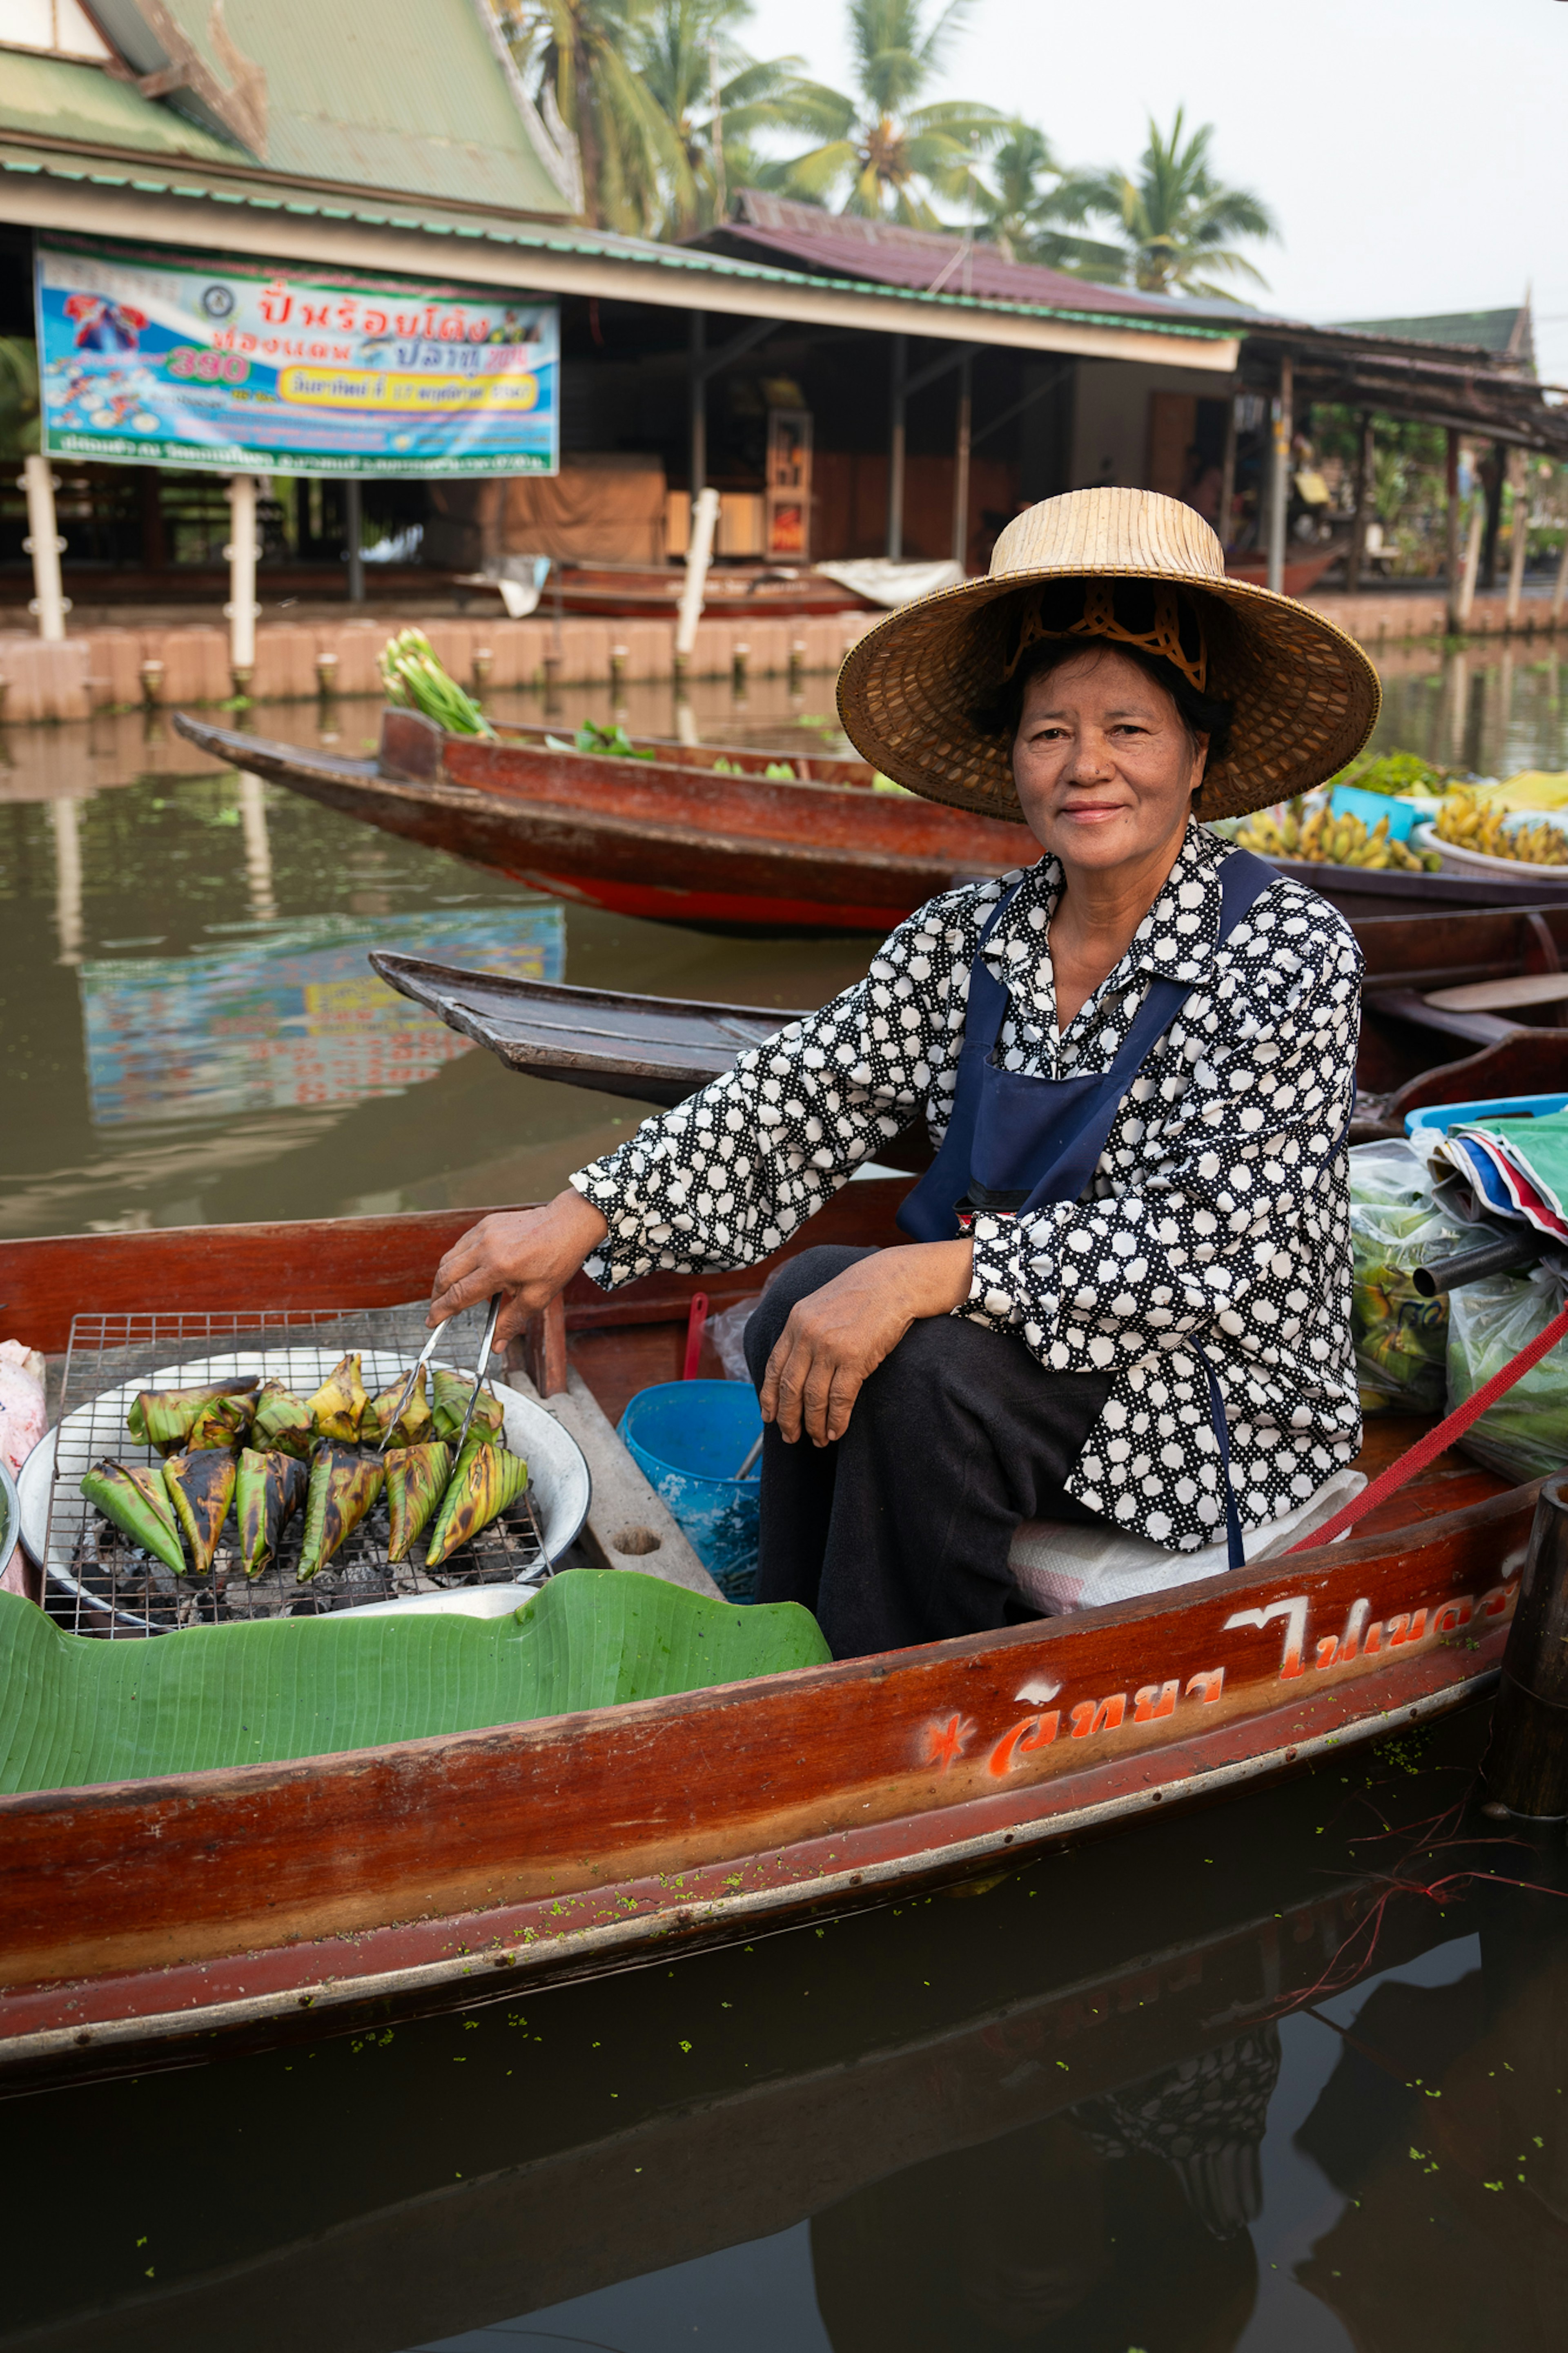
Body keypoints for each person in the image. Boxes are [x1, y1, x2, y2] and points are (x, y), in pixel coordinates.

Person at [429, 486, 1379, 1660]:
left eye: (1130, 728)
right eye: (1049, 731)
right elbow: (800, 1093)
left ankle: (897, 1693)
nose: (1088, 766)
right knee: (805, 1294)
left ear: (1199, 755)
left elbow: (1206, 1248)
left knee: (922, 1365)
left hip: (1212, 1395)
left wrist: (927, 1276)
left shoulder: (1284, 948)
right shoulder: (965, 936)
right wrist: (582, 1214)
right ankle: (795, 1640)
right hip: (1022, 1339)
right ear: (1015, 760)